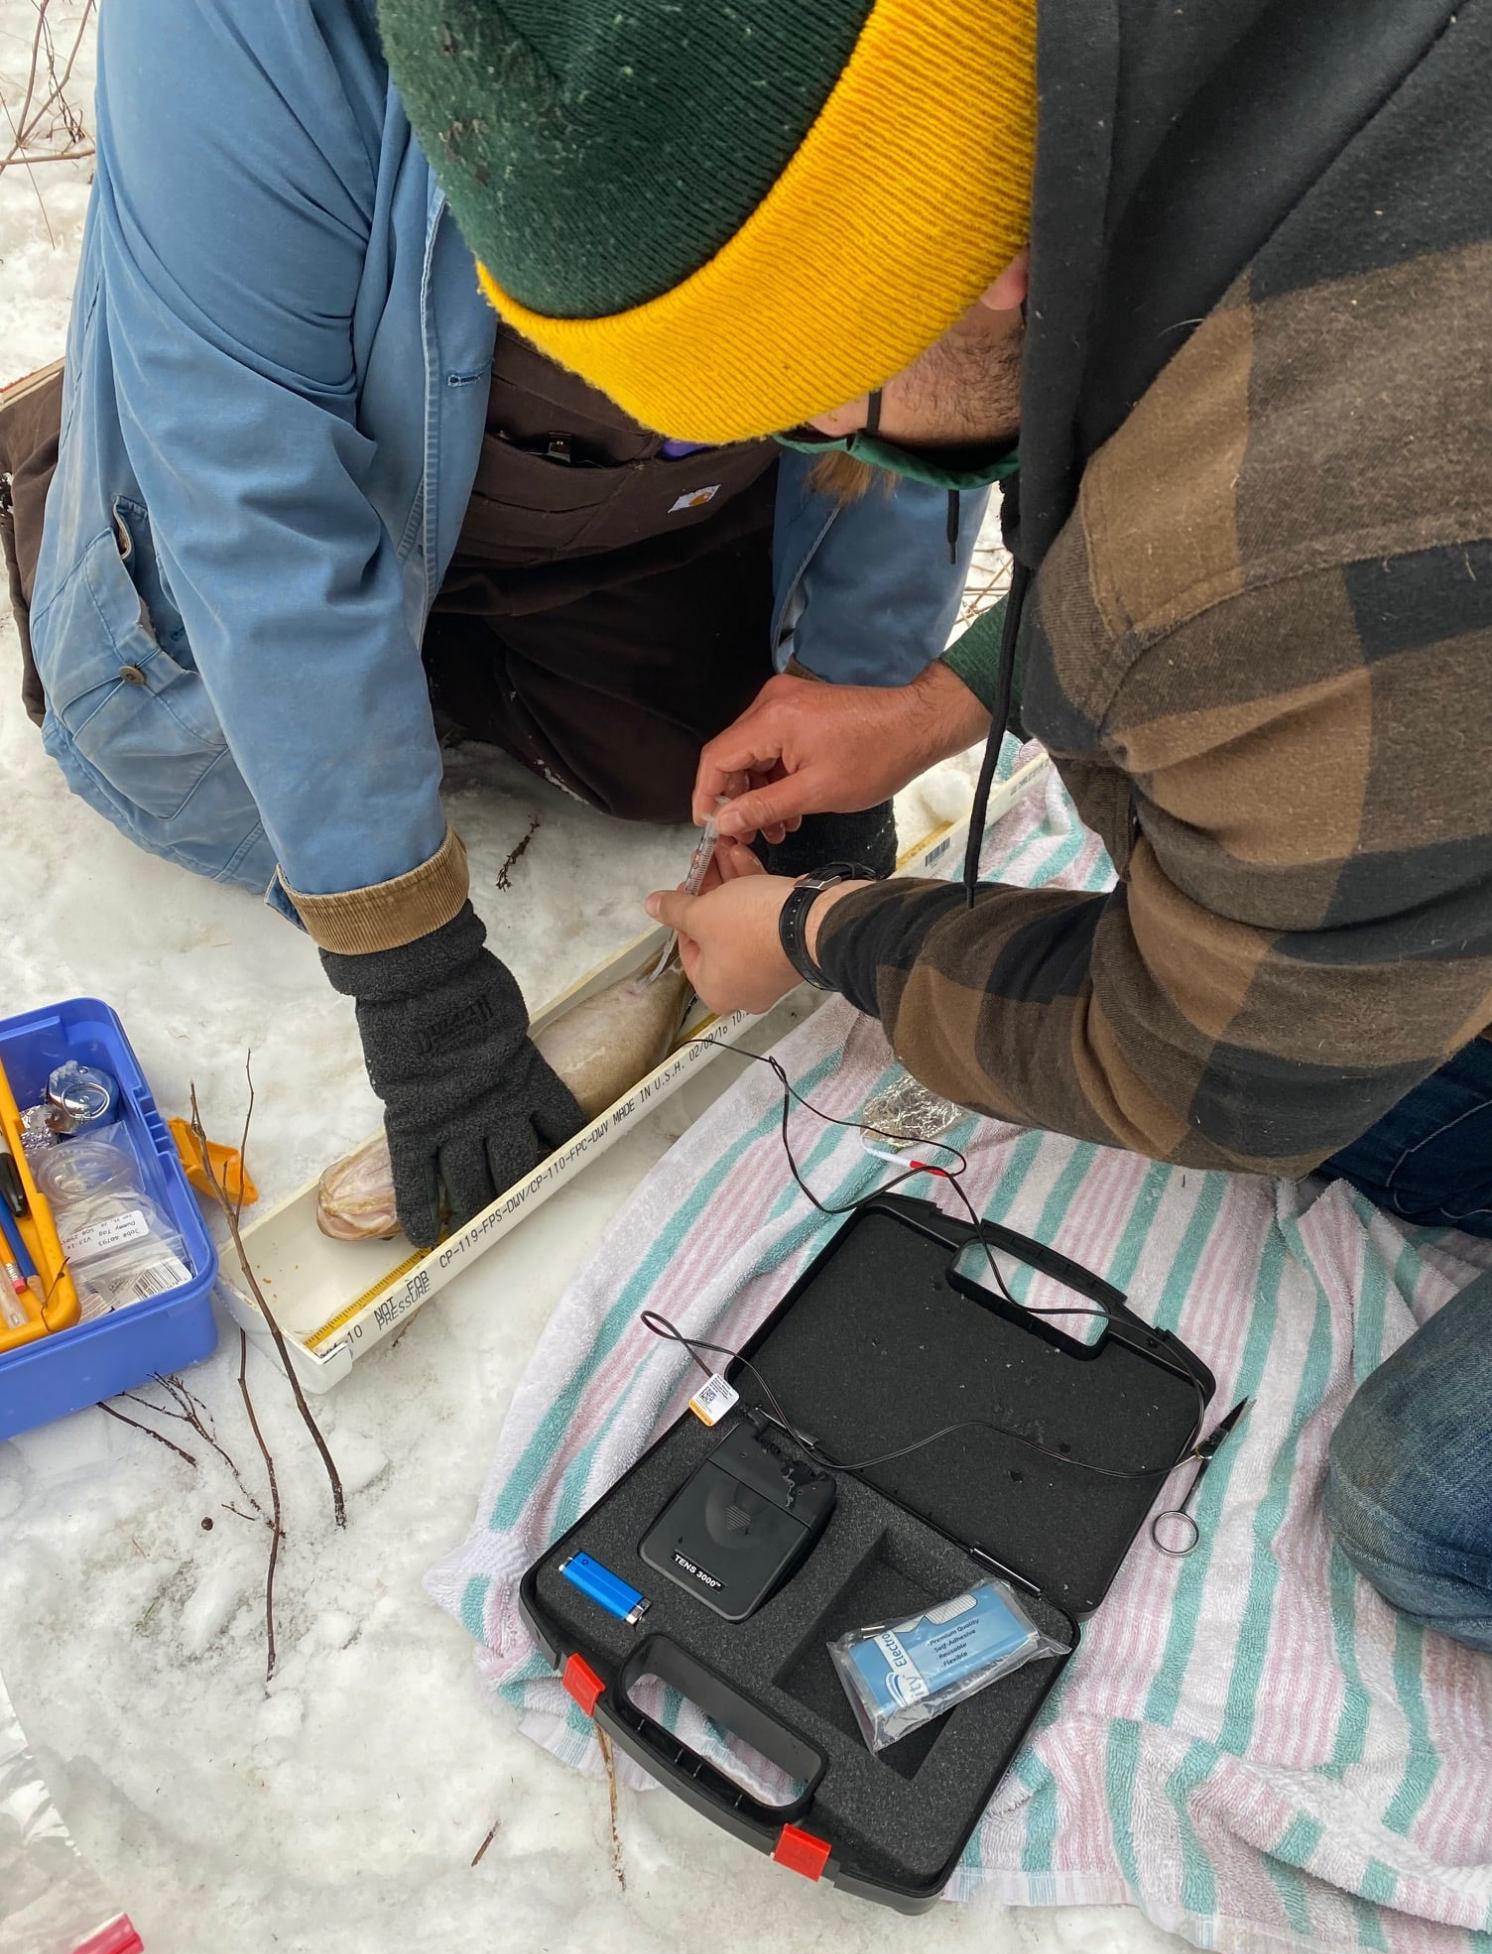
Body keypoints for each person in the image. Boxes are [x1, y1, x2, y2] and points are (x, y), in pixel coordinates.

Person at [381, 0, 1492, 1647]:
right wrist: (935, 705)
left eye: (820, 385)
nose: (831, 439)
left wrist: (820, 936)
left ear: (983, 260)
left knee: (1419, 1513)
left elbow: (1205, 1064)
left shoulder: (1272, 549)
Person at [0, 0, 987, 1252]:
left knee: (690, 756)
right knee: (198, 735)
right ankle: (88, 423)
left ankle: (450, 642)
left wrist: (866, 694)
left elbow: (918, 394)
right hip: (315, 429)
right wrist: (413, 976)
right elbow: (258, 515)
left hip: (608, 481)